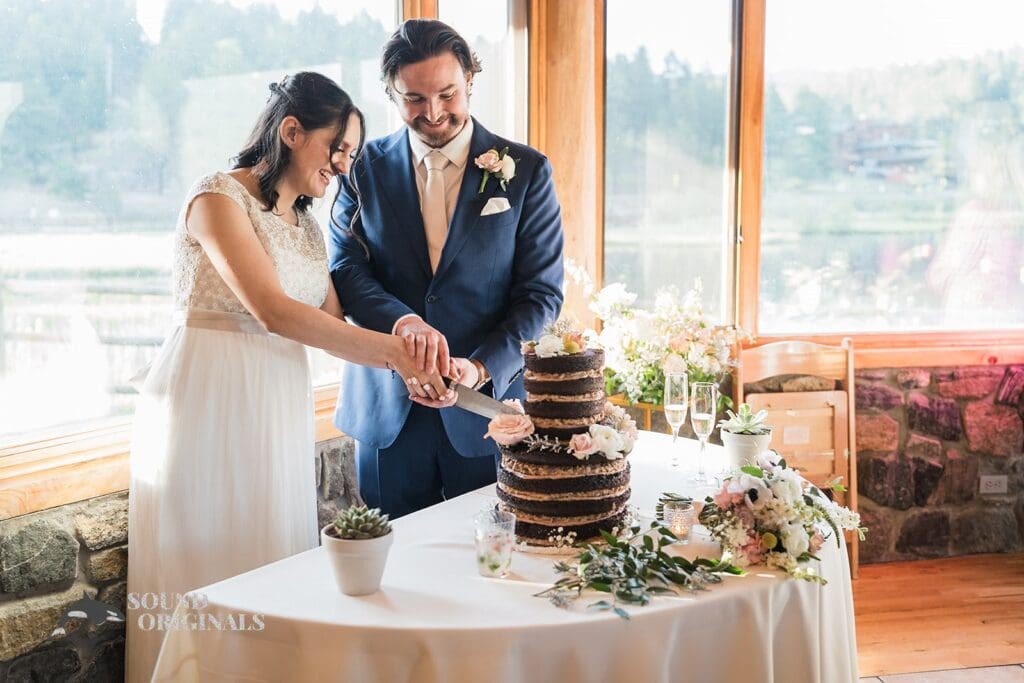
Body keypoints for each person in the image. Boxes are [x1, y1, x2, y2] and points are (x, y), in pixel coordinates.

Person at [126, 72, 434, 682]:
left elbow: (333, 323)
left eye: (349, 156)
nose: (343, 168)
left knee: (268, 550)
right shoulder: (217, 198)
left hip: (276, 400)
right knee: (210, 547)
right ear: (292, 131)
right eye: (336, 150)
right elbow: (272, 310)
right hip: (209, 396)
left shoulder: (307, 226)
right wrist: (395, 354)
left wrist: (414, 361)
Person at [330, 19, 565, 519]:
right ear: (391, 95)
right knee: (391, 575)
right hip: (386, 409)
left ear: (471, 82)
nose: (433, 113)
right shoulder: (362, 169)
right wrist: (403, 328)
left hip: (485, 412)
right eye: (414, 98)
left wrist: (481, 367)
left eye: (447, 93)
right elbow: (347, 270)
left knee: (493, 562)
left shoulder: (526, 171)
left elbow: (541, 295)